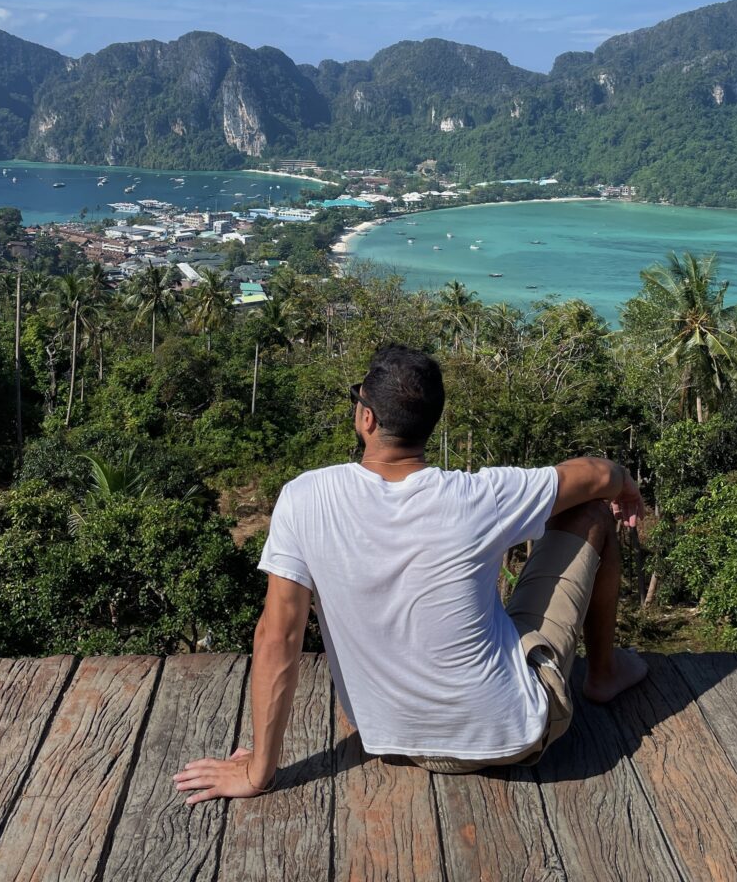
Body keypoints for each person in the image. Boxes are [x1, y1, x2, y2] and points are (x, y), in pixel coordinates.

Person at [174, 344, 648, 802]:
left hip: (385, 734)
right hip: (509, 735)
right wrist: (624, 485)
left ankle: (592, 674)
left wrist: (259, 771)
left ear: (367, 418)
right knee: (593, 515)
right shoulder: (479, 496)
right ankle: (602, 674)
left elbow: (277, 637)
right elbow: (595, 476)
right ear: (429, 424)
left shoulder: (304, 498)